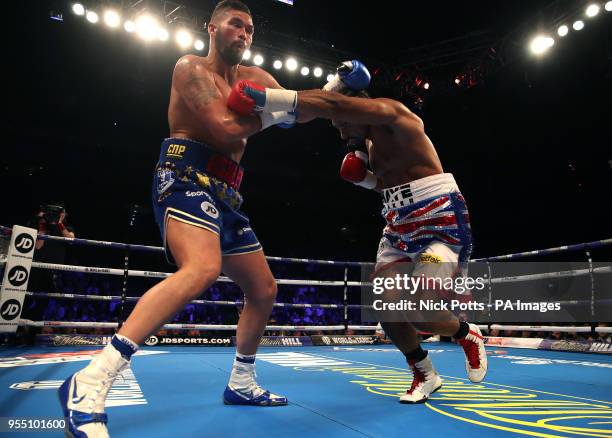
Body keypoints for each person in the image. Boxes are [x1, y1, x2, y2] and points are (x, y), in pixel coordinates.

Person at [59, 1, 298, 436]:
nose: (244, 34)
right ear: (212, 28)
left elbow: (296, 109)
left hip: (228, 191)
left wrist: (332, 89)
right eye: (235, 24)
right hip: (185, 173)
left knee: (263, 289)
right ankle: (91, 378)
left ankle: (242, 382)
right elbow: (226, 127)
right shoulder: (190, 68)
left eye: (249, 29)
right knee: (202, 268)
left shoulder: (257, 81)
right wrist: (277, 110)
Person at [227, 60, 487, 403]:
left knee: (423, 310)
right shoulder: (369, 148)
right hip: (397, 224)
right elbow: (387, 186)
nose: (338, 130)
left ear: (356, 107)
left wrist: (270, 98)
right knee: (386, 307)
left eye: (340, 122)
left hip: (439, 223)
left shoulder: (393, 114)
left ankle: (467, 334)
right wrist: (365, 178)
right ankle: (424, 372)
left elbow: (335, 103)